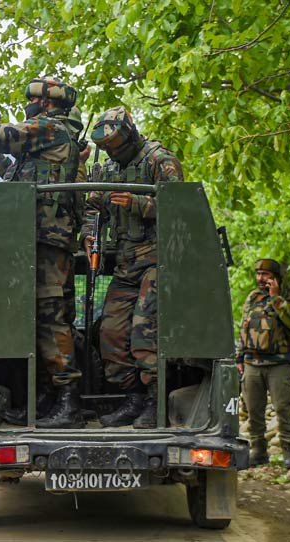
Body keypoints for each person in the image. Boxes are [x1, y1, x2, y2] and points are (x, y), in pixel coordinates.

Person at [0, 76, 83, 428]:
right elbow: (15, 173)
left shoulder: (50, 128)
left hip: (47, 237)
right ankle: (50, 397)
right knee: (40, 318)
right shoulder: (49, 139)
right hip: (40, 237)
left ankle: (67, 401)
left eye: (32, 101)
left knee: (50, 319)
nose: (29, 107)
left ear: (46, 105)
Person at [81, 106, 183, 429]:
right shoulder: (109, 168)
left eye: (115, 145)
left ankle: (154, 402)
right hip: (125, 262)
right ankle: (132, 398)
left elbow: (181, 209)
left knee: (144, 330)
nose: (111, 151)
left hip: (157, 260)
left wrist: (140, 203)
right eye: (107, 147)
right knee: (109, 331)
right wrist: (88, 234)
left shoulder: (159, 160)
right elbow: (91, 205)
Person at [237, 259, 290, 469]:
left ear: (276, 276)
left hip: (279, 363)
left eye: (265, 274)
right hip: (252, 363)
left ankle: (289, 451)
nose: (260, 278)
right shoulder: (253, 297)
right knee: (253, 410)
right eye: (258, 274)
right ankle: (258, 451)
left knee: (282, 408)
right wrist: (239, 357)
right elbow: (243, 328)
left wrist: (277, 298)